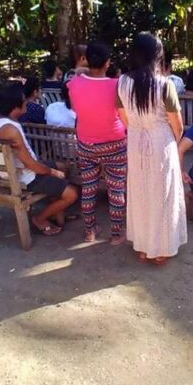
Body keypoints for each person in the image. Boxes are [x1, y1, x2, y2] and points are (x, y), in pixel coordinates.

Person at [117, 32, 187, 265]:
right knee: (162, 193)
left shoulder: (122, 82)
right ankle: (160, 248)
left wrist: (138, 129)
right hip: (160, 141)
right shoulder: (164, 84)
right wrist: (173, 141)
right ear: (157, 56)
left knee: (139, 192)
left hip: (135, 141)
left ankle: (143, 246)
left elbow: (122, 115)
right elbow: (177, 124)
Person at [0, 83, 78, 235]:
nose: (27, 102)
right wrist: (52, 172)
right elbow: (30, 164)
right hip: (24, 176)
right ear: (15, 106)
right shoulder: (10, 130)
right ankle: (40, 218)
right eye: (24, 100)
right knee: (72, 193)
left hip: (21, 167)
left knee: (63, 166)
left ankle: (57, 210)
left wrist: (54, 170)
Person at [68, 41, 128, 244]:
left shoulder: (73, 83)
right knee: (116, 189)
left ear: (86, 59)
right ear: (108, 62)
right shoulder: (116, 85)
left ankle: (89, 231)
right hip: (115, 144)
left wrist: (83, 68)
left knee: (89, 188)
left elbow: (78, 73)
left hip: (86, 145)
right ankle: (117, 234)